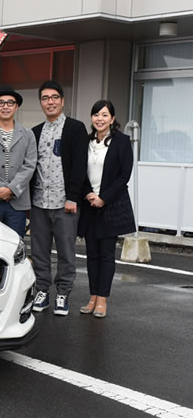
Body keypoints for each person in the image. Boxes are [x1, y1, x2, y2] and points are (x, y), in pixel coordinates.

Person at [30, 80, 89, 316]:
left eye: (54, 97)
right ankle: (42, 290)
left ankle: (63, 293)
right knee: (39, 251)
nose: (50, 102)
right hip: (38, 202)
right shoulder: (35, 132)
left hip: (65, 203)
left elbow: (79, 165)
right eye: (45, 98)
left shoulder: (75, 128)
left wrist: (73, 197)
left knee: (66, 252)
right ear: (41, 103)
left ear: (62, 101)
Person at [77, 100, 135, 318]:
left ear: (112, 119)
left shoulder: (122, 141)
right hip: (89, 204)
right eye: (96, 115)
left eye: (104, 115)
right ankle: (92, 296)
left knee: (106, 255)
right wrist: (88, 194)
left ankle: (102, 299)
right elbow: (78, 171)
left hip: (110, 205)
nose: (99, 119)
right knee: (91, 254)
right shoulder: (86, 141)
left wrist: (103, 198)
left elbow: (124, 175)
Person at [0, 86, 36, 236]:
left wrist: (11, 189)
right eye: (1, 103)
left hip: (17, 202)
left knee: (15, 242)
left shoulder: (28, 134)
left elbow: (29, 165)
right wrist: (0, 189)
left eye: (10, 103)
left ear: (16, 106)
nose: (5, 107)